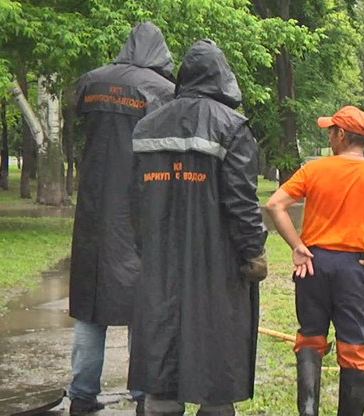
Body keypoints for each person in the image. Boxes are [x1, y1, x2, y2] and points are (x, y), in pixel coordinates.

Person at [127, 39, 268, 416]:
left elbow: (135, 198)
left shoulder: (146, 126)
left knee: (161, 357)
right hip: (216, 266)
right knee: (216, 362)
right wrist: (253, 251)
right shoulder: (232, 127)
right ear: (223, 76)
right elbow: (241, 200)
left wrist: (143, 250)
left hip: (159, 265)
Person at [264, 105, 364, 416]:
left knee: (310, 337)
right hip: (352, 268)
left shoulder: (314, 170)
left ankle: (308, 412)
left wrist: (297, 245)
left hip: (313, 263)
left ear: (340, 135)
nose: (328, 135)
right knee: (353, 346)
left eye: (330, 130)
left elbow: (275, 205)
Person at [67, 21, 175, 415]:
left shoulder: (91, 81)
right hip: (139, 207)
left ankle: (81, 394)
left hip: (94, 209)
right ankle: (143, 393)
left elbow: (75, 116)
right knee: (142, 304)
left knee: (90, 304)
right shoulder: (163, 91)